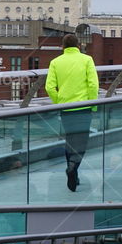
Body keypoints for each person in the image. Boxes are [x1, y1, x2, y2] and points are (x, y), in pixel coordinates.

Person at [45, 33, 99, 192]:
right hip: (84, 107)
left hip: (66, 109)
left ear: (63, 47)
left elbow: (49, 87)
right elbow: (93, 85)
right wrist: (93, 105)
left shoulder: (55, 62)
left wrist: (58, 103)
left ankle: (72, 169)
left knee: (70, 140)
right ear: (79, 46)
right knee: (81, 141)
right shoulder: (87, 60)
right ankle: (74, 167)